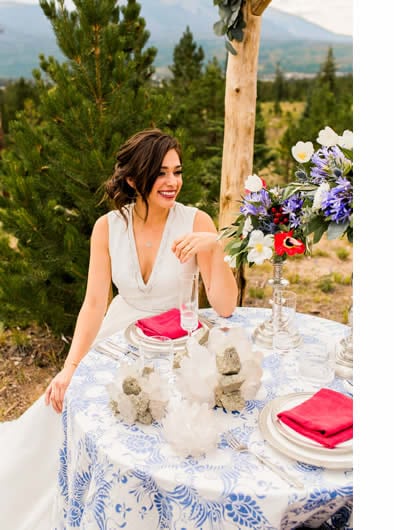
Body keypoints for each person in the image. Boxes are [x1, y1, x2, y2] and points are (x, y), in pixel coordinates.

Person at [0, 129, 238, 528]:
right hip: (119, 337)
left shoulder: (197, 221)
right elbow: (95, 303)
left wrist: (213, 246)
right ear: (133, 179)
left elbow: (226, 307)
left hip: (177, 342)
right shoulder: (107, 227)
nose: (173, 182)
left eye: (177, 172)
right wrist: (71, 366)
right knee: (69, 411)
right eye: (161, 173)